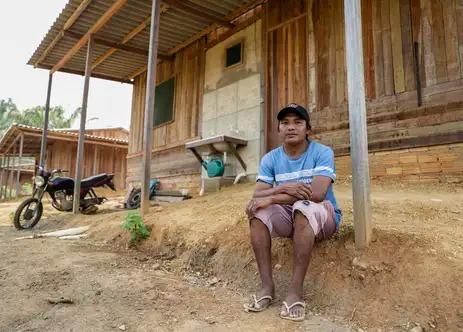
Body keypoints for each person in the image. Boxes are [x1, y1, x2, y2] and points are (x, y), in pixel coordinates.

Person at [244, 103, 342, 322]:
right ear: (278, 129)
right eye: (285, 123)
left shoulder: (322, 152)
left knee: (302, 206)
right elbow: (256, 194)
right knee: (257, 213)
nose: (291, 127)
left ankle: (295, 292)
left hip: (323, 216)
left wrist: (271, 197)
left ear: (308, 129)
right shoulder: (270, 158)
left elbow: (317, 194)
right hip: (290, 217)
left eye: (298, 122)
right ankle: (267, 287)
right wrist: (281, 188)